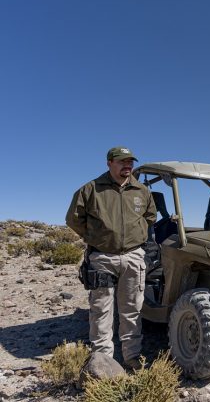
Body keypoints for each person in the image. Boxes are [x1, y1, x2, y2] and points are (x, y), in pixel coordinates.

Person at [66, 147, 156, 368]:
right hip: (103, 258)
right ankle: (103, 361)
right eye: (121, 161)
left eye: (130, 162)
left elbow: (150, 217)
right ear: (109, 163)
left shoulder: (142, 191)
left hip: (134, 257)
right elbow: (73, 219)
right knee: (101, 309)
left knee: (132, 309)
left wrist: (136, 240)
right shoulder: (91, 190)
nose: (127, 165)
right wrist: (96, 237)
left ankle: (132, 357)